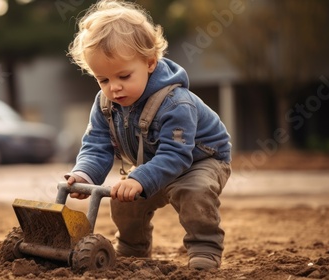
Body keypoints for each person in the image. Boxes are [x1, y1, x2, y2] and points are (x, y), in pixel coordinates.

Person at [64, 0, 232, 271]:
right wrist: (84, 173)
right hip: (152, 163)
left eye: (124, 76)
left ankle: (205, 247)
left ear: (150, 63)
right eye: (103, 80)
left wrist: (139, 177)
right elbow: (96, 145)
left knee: (194, 191)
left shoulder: (176, 103)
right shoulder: (105, 104)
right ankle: (133, 248)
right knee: (124, 199)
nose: (114, 88)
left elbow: (176, 155)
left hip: (199, 160)